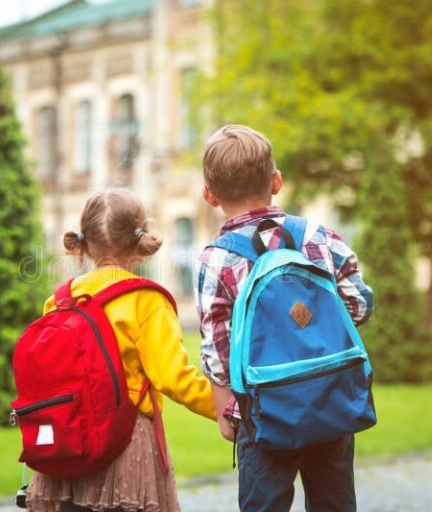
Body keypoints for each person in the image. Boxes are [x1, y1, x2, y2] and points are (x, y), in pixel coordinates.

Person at [195, 125, 375, 512]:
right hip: (331, 398)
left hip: (262, 410)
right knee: (334, 502)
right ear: (276, 181)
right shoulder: (317, 236)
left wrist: (225, 411)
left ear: (210, 196)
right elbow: (360, 304)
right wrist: (310, 326)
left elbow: (217, 348)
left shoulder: (216, 259)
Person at [27, 188, 217, 512]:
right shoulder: (147, 301)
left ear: (84, 244)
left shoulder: (59, 299)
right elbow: (174, 378)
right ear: (138, 242)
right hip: (125, 444)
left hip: (68, 440)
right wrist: (226, 408)